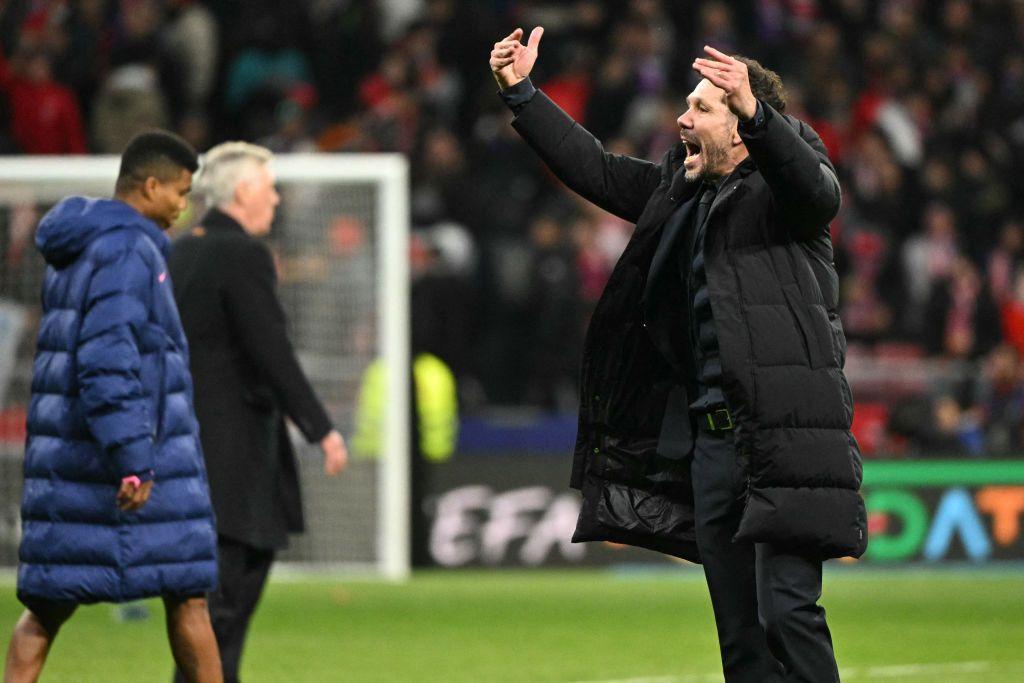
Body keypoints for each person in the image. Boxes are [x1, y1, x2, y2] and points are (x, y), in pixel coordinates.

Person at [490, 28, 865, 682]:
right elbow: (599, 170)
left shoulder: (782, 188)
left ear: (743, 122)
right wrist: (523, 94)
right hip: (713, 448)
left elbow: (817, 191)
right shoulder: (683, 194)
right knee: (742, 642)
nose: (681, 119)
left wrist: (759, 113)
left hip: (782, 437)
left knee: (786, 611)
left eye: (701, 108)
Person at [4, 131, 222, 682]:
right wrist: (132, 456)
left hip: (67, 456)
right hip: (118, 461)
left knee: (47, 609)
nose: (182, 205)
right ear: (150, 187)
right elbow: (106, 359)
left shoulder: (80, 246)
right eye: (179, 191)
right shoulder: (130, 248)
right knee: (188, 595)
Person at [168, 141, 348, 683]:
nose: (275, 200)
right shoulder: (242, 254)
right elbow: (271, 351)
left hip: (186, 456)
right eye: (269, 189)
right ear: (244, 192)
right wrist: (321, 428)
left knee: (203, 620)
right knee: (223, 617)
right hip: (237, 465)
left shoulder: (179, 251)